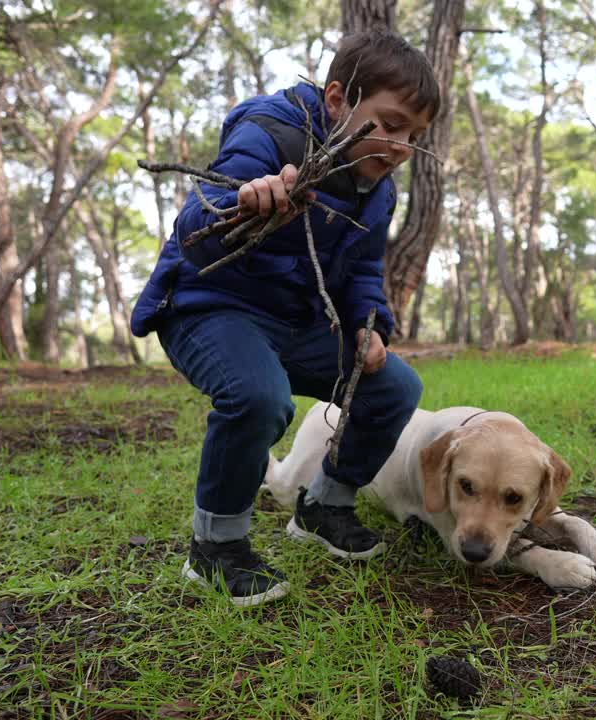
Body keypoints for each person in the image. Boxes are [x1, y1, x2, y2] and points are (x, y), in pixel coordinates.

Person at [130, 31, 439, 606]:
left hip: (297, 322)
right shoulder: (268, 132)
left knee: (395, 386)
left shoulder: (378, 188)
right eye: (390, 124)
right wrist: (245, 201)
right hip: (209, 307)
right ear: (338, 100)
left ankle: (325, 505)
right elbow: (198, 230)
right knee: (258, 397)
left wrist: (370, 327)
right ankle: (216, 548)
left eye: (414, 137)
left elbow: (363, 271)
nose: (400, 146)